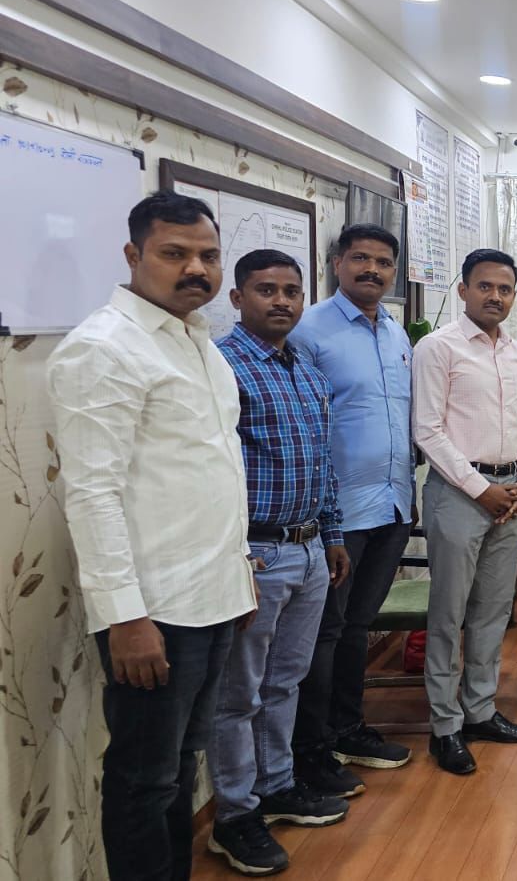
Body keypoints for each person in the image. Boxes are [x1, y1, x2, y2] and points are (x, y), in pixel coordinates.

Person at [47, 192, 256, 880]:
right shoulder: (103, 349)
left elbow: (211, 470)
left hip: (212, 594)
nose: (196, 268)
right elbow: (92, 495)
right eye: (175, 253)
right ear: (134, 256)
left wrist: (239, 574)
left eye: (208, 255)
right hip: (154, 610)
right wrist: (125, 618)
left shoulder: (197, 341)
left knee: (180, 768)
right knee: (143, 779)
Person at [209, 249, 351, 875]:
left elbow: (323, 463)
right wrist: (233, 554)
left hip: (310, 547)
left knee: (285, 681)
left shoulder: (306, 372)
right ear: (237, 298)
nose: (282, 301)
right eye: (266, 290)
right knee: (237, 693)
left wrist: (332, 534)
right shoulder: (222, 366)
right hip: (257, 553)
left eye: (291, 291)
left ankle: (276, 784)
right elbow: (213, 473)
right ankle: (234, 815)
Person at [289, 223, 415, 796]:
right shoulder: (309, 329)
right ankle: (311, 751)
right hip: (336, 516)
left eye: (383, 262)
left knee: (357, 626)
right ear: (336, 262)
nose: (372, 270)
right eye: (360, 258)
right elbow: (304, 428)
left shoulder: (394, 332)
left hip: (391, 505)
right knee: (324, 633)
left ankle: (347, 729)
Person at [412, 248, 517, 775]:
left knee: (493, 611)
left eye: (505, 289)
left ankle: (480, 711)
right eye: (485, 286)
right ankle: (445, 727)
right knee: (449, 614)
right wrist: (478, 488)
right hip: (457, 495)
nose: (495, 296)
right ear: (464, 289)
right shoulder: (437, 347)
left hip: (511, 493)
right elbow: (427, 430)